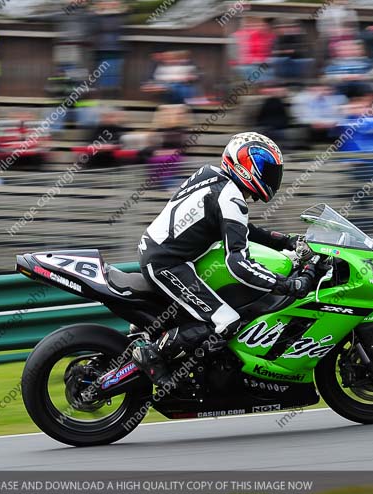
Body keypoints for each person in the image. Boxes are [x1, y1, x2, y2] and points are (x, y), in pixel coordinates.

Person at [132, 132, 320, 386]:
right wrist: (286, 285)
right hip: (167, 264)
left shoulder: (211, 175)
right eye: (267, 169)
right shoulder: (230, 197)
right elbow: (239, 265)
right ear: (246, 165)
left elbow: (240, 229)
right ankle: (152, 353)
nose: (272, 177)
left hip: (161, 252)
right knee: (227, 321)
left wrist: (285, 241)